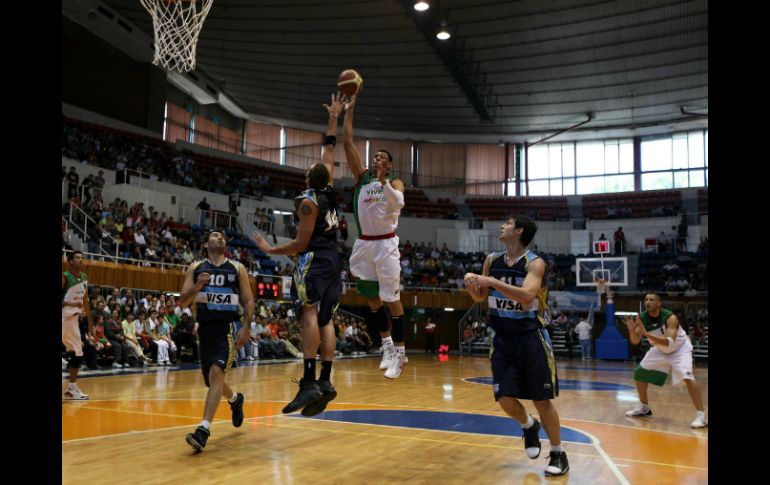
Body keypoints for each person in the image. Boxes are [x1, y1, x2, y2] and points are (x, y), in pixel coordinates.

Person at [252, 93, 344, 416]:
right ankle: (326, 380)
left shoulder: (308, 202)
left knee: (307, 314)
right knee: (326, 319)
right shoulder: (330, 189)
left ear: (307, 179)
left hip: (314, 260)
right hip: (334, 260)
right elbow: (329, 150)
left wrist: (270, 249)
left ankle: (308, 382)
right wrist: (333, 117)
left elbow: (300, 244)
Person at [463, 214, 569, 477]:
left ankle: (558, 453)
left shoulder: (535, 263)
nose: (502, 226)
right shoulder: (492, 260)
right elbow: (480, 297)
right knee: (503, 397)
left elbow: (526, 297)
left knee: (541, 399)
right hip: (502, 338)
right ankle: (528, 425)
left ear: (519, 231)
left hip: (531, 336)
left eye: (508, 224)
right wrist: (472, 284)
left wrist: (491, 282)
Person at [343, 93, 408, 379]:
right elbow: (347, 142)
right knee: (371, 298)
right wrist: (349, 110)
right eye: (375, 157)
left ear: (389, 165)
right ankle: (388, 346)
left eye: (382, 158)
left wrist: (384, 183)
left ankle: (401, 355)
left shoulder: (394, 182)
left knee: (392, 300)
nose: (377, 159)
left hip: (386, 244)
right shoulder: (362, 178)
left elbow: (399, 202)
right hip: (364, 244)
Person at [179, 230, 254, 452]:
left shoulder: (237, 268)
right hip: (205, 329)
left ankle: (203, 430)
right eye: (214, 235)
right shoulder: (195, 267)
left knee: (216, 373)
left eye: (222, 236)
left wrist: (246, 327)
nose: (220, 238)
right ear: (205, 244)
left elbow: (248, 300)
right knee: (213, 381)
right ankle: (235, 399)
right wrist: (196, 287)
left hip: (227, 328)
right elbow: (183, 302)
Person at [623, 293, 707, 428]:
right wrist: (632, 330)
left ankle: (701, 415)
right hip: (660, 349)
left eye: (651, 300)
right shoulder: (642, 317)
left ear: (659, 303)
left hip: (679, 349)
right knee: (639, 372)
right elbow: (635, 341)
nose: (647, 302)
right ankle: (644, 407)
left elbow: (669, 342)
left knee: (687, 377)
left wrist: (646, 334)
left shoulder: (670, 318)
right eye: (646, 300)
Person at [62, 251, 95, 400]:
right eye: (77, 257)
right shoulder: (65, 277)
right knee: (75, 351)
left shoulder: (84, 278)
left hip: (73, 320)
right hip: (63, 318)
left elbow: (85, 301)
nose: (81, 259)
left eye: (82, 257)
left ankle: (71, 388)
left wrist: (90, 322)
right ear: (70, 261)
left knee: (77, 352)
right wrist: (71, 304)